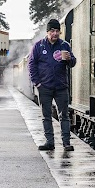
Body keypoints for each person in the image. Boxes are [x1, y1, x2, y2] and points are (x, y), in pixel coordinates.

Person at [27, 18, 76, 151]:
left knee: (64, 116)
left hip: (61, 86)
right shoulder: (39, 46)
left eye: (57, 31)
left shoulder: (64, 45)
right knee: (46, 116)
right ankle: (49, 142)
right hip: (45, 87)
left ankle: (66, 143)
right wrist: (37, 82)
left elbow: (73, 63)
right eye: (52, 31)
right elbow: (31, 65)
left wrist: (69, 59)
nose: (55, 34)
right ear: (48, 32)